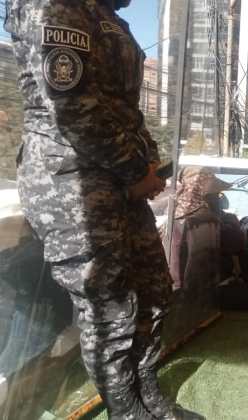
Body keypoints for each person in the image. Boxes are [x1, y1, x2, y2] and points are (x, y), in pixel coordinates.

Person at [4, 1, 204, 419]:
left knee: (154, 292)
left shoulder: (107, 15)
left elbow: (124, 108)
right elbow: (73, 106)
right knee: (109, 309)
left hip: (117, 178)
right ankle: (126, 411)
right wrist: (136, 170)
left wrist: (149, 162)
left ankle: (147, 396)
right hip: (70, 182)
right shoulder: (56, 6)